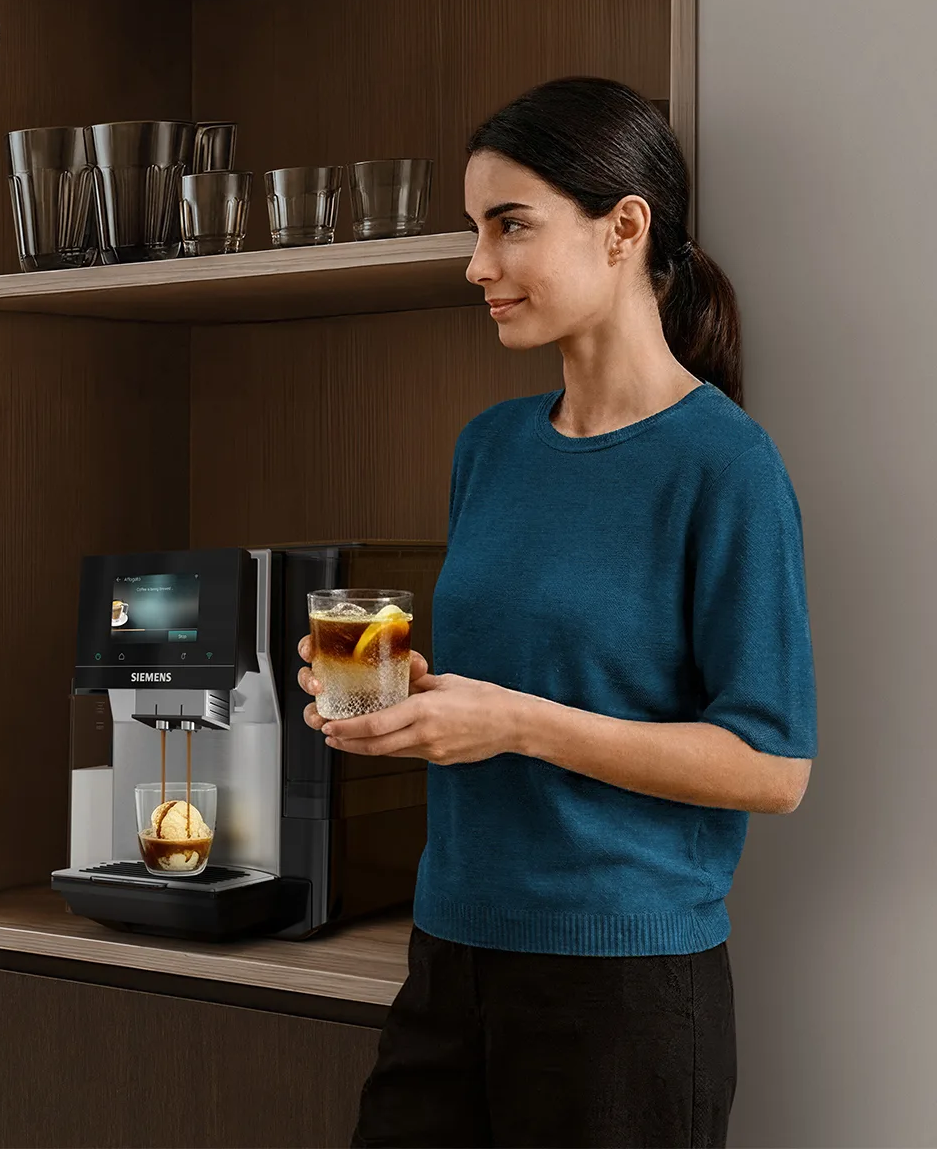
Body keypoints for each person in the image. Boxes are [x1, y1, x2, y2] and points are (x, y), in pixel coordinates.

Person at [299, 77, 817, 1148]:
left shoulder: (723, 464)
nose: (477, 265)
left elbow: (772, 767)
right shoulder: (488, 447)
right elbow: (511, 684)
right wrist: (410, 707)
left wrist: (516, 723)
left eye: (509, 226)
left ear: (623, 227)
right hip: (450, 957)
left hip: (622, 994)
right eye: (471, 230)